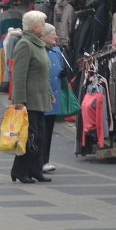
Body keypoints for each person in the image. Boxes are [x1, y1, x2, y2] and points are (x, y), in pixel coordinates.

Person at [10, 10, 54, 183]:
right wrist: (19, 100)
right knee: (30, 137)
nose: (45, 27)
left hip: (40, 98)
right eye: (43, 24)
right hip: (29, 99)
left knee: (39, 136)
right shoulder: (25, 44)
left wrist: (49, 93)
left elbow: (43, 73)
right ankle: (20, 170)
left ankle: (34, 169)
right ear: (34, 27)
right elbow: (19, 75)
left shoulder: (38, 44)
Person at [42, 23, 71, 174]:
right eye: (53, 34)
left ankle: (45, 160)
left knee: (49, 130)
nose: (56, 36)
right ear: (45, 36)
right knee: (40, 131)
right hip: (42, 96)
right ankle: (38, 160)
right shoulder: (40, 50)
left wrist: (64, 74)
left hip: (55, 97)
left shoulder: (57, 51)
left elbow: (62, 71)